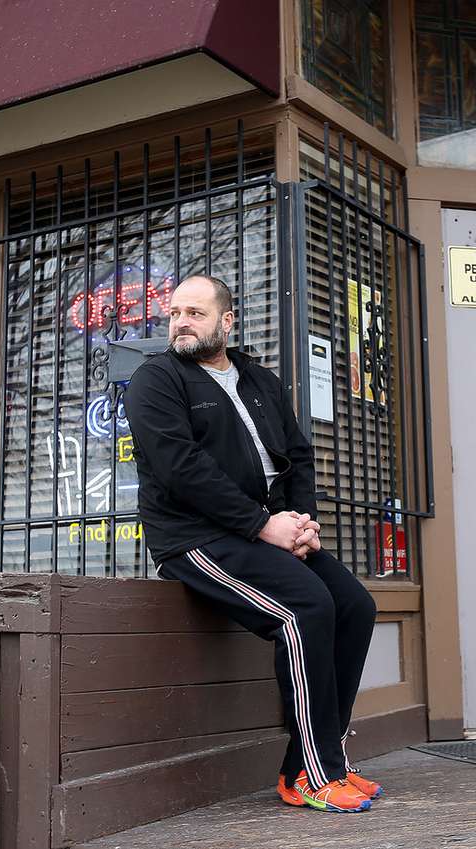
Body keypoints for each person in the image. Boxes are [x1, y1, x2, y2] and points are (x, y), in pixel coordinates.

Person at [124, 274, 381, 814]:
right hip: (195, 539)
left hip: (266, 531)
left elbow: (298, 456)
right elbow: (181, 470)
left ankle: (317, 759)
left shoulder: (260, 381)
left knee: (356, 605)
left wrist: (302, 523)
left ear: (227, 320)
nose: (180, 323)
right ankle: (316, 774)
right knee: (303, 608)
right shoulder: (156, 381)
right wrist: (264, 525)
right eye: (174, 314)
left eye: (194, 312)